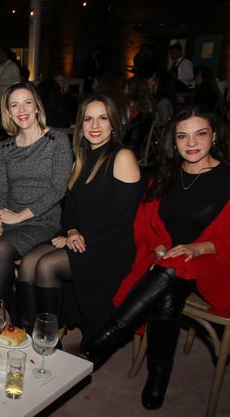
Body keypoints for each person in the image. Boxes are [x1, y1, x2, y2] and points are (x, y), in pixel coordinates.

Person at [81, 107, 230, 410]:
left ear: (215, 136)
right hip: (170, 264)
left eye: (200, 134)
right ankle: (159, 375)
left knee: (174, 267)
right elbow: (143, 223)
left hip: (220, 263)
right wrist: (157, 248)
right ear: (174, 141)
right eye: (183, 136)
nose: (191, 142)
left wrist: (199, 248)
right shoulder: (165, 176)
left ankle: (101, 343)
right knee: (170, 282)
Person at [17, 94, 142, 338]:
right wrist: (72, 230)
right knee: (29, 261)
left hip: (109, 246)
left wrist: (78, 237)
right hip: (82, 238)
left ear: (114, 123)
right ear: (81, 125)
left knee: (46, 266)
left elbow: (121, 217)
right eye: (88, 119)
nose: (95, 126)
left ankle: (48, 339)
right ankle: (27, 331)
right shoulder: (82, 159)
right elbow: (71, 207)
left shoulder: (122, 156)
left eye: (102, 118)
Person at [0, 83, 72, 323]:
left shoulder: (57, 140)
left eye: (27, 102)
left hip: (42, 220)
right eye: (14, 104)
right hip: (8, 217)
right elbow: (2, 190)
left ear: (37, 106)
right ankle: (11, 302)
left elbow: (57, 190)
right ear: (8, 112)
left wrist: (19, 216)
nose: (22, 109)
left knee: (2, 249)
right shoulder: (6, 146)